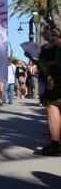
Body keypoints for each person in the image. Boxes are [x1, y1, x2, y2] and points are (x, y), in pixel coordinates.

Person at [34, 26, 61, 156]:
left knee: (52, 105)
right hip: (51, 78)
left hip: (57, 80)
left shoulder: (57, 42)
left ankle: (55, 145)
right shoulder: (46, 47)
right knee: (51, 104)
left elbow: (55, 62)